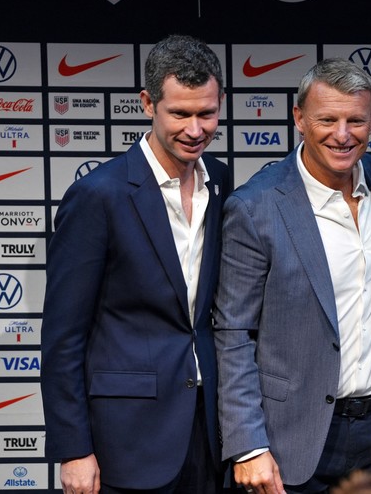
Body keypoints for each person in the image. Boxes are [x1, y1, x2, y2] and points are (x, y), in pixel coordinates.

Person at [214, 58, 371, 494]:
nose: (342, 135)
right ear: (299, 119)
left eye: (355, 121)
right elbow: (233, 333)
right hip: (295, 438)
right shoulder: (256, 207)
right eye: (327, 119)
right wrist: (249, 447)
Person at [41, 34, 230, 493]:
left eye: (206, 113)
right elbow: (63, 337)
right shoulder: (97, 195)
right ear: (147, 103)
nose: (195, 129)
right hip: (125, 440)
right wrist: (74, 450)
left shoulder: (220, 179)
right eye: (180, 113)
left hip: (208, 428)